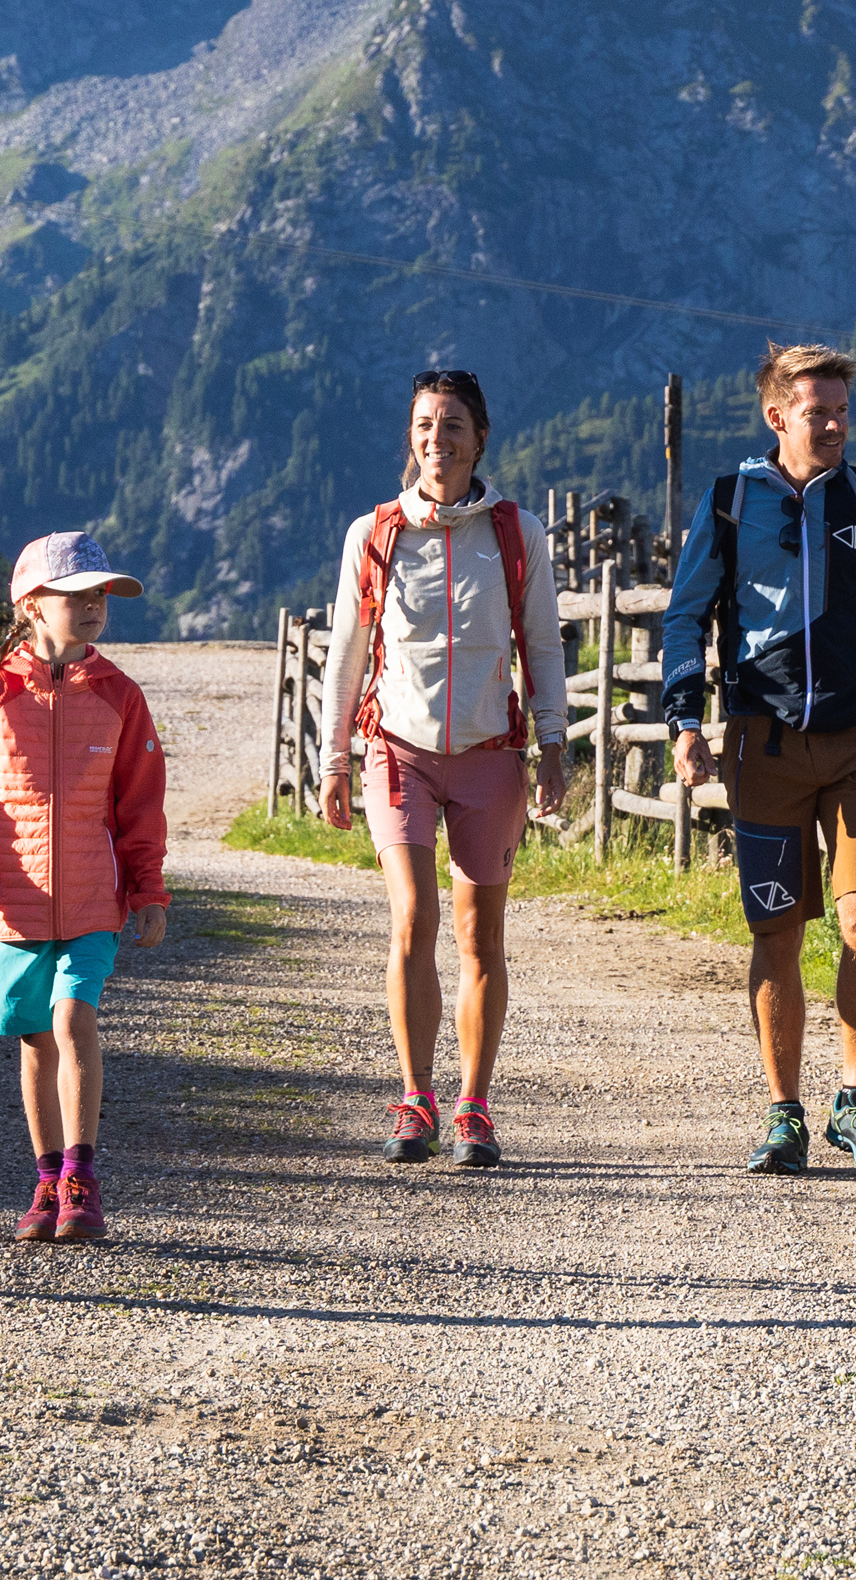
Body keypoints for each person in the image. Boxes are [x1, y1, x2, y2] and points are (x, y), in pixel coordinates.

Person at [659, 344, 856, 1176]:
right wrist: (686, 719)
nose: (832, 425)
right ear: (776, 415)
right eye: (816, 410)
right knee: (779, 932)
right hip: (765, 746)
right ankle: (784, 1114)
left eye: (841, 412)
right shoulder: (729, 503)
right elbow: (686, 618)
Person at [317, 369, 568, 1167]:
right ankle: (414, 1096)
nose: (437, 439)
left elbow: (544, 645)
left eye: (453, 425)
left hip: (491, 756)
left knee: (479, 937)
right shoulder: (377, 533)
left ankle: (474, 1107)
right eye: (425, 425)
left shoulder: (517, 534)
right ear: (411, 437)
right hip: (398, 751)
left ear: (480, 438)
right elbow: (347, 655)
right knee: (412, 918)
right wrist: (332, 760)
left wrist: (554, 743)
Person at [0, 532, 172, 1244]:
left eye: (101, 596)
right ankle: (46, 1177)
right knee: (34, 1040)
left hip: (94, 904)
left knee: (72, 1021)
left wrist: (148, 891)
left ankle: (83, 1181)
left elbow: (140, 808)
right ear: (31, 606)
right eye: (77, 595)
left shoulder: (121, 697)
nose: (94, 607)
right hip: (14, 909)